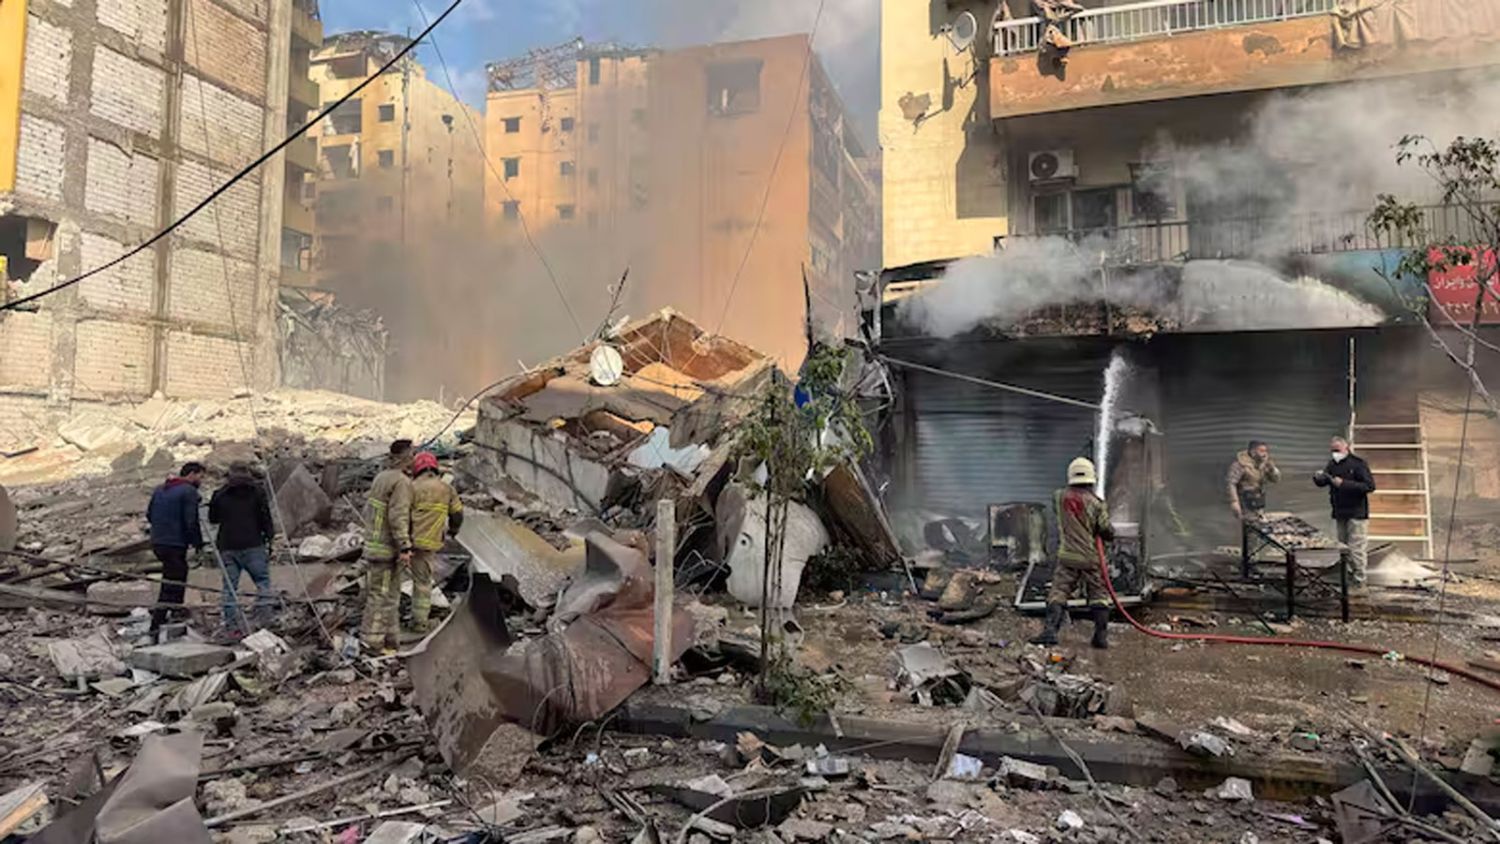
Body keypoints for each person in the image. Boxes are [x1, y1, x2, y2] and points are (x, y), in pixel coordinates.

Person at [1031, 457, 1116, 649]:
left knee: (1059, 591)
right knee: (1098, 594)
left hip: (1067, 556)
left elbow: (1062, 516)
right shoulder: (1096, 503)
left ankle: (1050, 632)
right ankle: (1100, 637)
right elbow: (1106, 530)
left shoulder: (1058, 496)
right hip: (1090, 557)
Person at [208, 462, 276, 637]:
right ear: (248, 473)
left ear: (229, 474)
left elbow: (213, 519)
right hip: (253, 543)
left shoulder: (219, 494)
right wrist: (269, 536)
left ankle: (232, 626)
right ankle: (265, 622)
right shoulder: (258, 492)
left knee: (229, 588)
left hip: (227, 545)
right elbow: (265, 517)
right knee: (263, 583)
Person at [361, 439, 415, 654]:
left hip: (375, 545)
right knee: (381, 596)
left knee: (391, 595)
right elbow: (398, 516)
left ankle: (391, 640)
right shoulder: (401, 482)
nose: (414, 458)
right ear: (405, 457)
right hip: (386, 549)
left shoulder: (381, 478)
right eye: (412, 454)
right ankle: (371, 641)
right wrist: (405, 546)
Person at [407, 451, 464, 634]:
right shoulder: (446, 489)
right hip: (427, 545)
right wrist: (454, 530)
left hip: (404, 541)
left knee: (389, 580)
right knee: (422, 584)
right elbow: (457, 514)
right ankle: (419, 623)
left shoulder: (409, 487)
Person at [145, 462, 206, 632]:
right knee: (173, 579)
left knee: (176, 574)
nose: (201, 481)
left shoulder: (160, 489)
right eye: (200, 477)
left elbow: (149, 514)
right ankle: (158, 620)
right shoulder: (188, 491)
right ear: (192, 474)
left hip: (158, 541)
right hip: (175, 542)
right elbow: (191, 520)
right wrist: (198, 542)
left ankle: (174, 609)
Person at [1314, 436, 1376, 587]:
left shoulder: (1358, 464)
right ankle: (1346, 577)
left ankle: (1360, 579)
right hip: (1340, 511)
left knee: (1356, 548)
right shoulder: (1332, 464)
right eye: (1332, 450)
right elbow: (1325, 481)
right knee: (1343, 547)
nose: (1335, 453)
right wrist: (1318, 478)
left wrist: (1344, 484)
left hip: (1357, 512)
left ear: (1346, 447)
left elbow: (1369, 486)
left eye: (1337, 450)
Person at [1227, 440, 1280, 523]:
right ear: (1253, 452)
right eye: (1261, 451)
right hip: (1244, 501)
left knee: (1259, 522)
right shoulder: (1240, 465)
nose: (1265, 454)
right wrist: (1234, 501)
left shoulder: (1264, 464)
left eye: (1266, 451)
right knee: (1247, 522)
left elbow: (1275, 480)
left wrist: (1272, 469)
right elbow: (1232, 483)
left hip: (1258, 500)